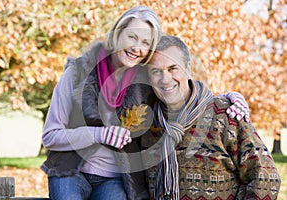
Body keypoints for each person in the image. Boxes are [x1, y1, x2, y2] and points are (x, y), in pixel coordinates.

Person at [41, 6, 251, 200]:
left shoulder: (146, 81)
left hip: (114, 179)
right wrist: (99, 134)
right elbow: (50, 136)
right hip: (69, 171)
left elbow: (182, 89)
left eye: (146, 42)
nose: (136, 47)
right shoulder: (77, 73)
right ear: (117, 34)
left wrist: (226, 98)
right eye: (132, 37)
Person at [142, 35, 281, 200]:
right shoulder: (146, 126)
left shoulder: (225, 114)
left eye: (173, 68)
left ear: (188, 69)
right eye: (156, 71)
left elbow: (266, 178)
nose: (165, 79)